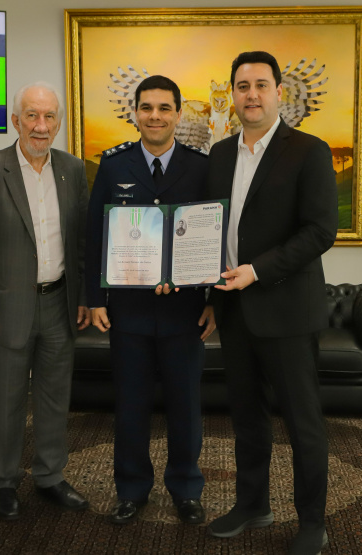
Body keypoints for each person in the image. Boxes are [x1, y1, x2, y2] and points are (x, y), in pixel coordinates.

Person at [204, 52, 338, 555]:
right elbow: (207, 227)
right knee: (245, 417)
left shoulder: (309, 150)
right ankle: (252, 505)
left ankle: (312, 521)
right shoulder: (219, 155)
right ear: (232, 93)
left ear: (279, 91)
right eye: (242, 86)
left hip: (286, 309)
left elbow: (320, 230)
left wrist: (257, 271)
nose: (252, 94)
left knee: (303, 421)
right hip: (234, 311)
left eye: (261, 84)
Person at [85, 75, 215, 525]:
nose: (155, 116)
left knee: (186, 408)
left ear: (179, 113)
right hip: (130, 311)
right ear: (135, 113)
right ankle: (132, 490)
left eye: (164, 108)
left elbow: (214, 238)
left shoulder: (201, 166)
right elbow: (95, 234)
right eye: (146, 108)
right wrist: (95, 298)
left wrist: (213, 299)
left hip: (185, 313)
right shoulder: (114, 164)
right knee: (131, 407)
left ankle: (186, 489)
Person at [0, 82, 91, 520]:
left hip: (59, 303)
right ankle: (2, 480)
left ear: (58, 122)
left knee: (56, 398)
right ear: (15, 120)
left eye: (49, 116)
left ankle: (50, 476)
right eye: (32, 116)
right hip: (6, 309)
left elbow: (80, 243)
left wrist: (84, 296)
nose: (41, 126)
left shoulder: (73, 170)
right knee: (6, 399)